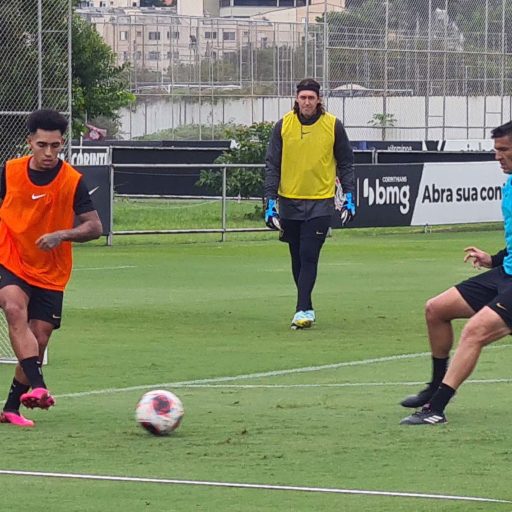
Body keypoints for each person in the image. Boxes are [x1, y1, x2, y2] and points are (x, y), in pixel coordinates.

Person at [400, 119, 512, 425]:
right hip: (505, 274)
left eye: (503, 150)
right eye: (495, 149)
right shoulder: (509, 184)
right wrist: (493, 258)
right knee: (436, 309)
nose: (497, 156)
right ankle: (435, 385)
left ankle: (435, 409)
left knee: (474, 332)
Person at [0, 109, 103, 427]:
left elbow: (95, 227)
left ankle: (11, 408)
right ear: (29, 141)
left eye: (56, 146)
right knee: (14, 307)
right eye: (42, 144)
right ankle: (41, 386)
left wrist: (63, 234)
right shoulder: (8, 172)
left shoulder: (72, 181)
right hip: (11, 259)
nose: (49, 153)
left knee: (39, 336)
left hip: (50, 270)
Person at [264, 78, 356, 330]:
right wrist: (270, 201)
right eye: (303, 97)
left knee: (309, 254)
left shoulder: (333, 126)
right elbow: (272, 164)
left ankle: (301, 308)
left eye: (311, 98)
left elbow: (346, 163)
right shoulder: (283, 126)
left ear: (318, 100)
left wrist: (349, 196)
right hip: (289, 201)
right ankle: (307, 305)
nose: (307, 102)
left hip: (320, 202)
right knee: (296, 256)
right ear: (296, 99)